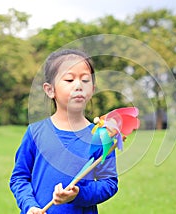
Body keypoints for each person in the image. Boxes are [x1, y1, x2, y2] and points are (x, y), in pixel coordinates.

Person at [9, 49, 118, 214]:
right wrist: (29, 205)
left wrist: (78, 195)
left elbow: (109, 184)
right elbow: (19, 177)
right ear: (50, 90)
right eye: (69, 79)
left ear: (93, 89)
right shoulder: (35, 132)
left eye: (85, 80)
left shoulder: (102, 136)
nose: (79, 85)